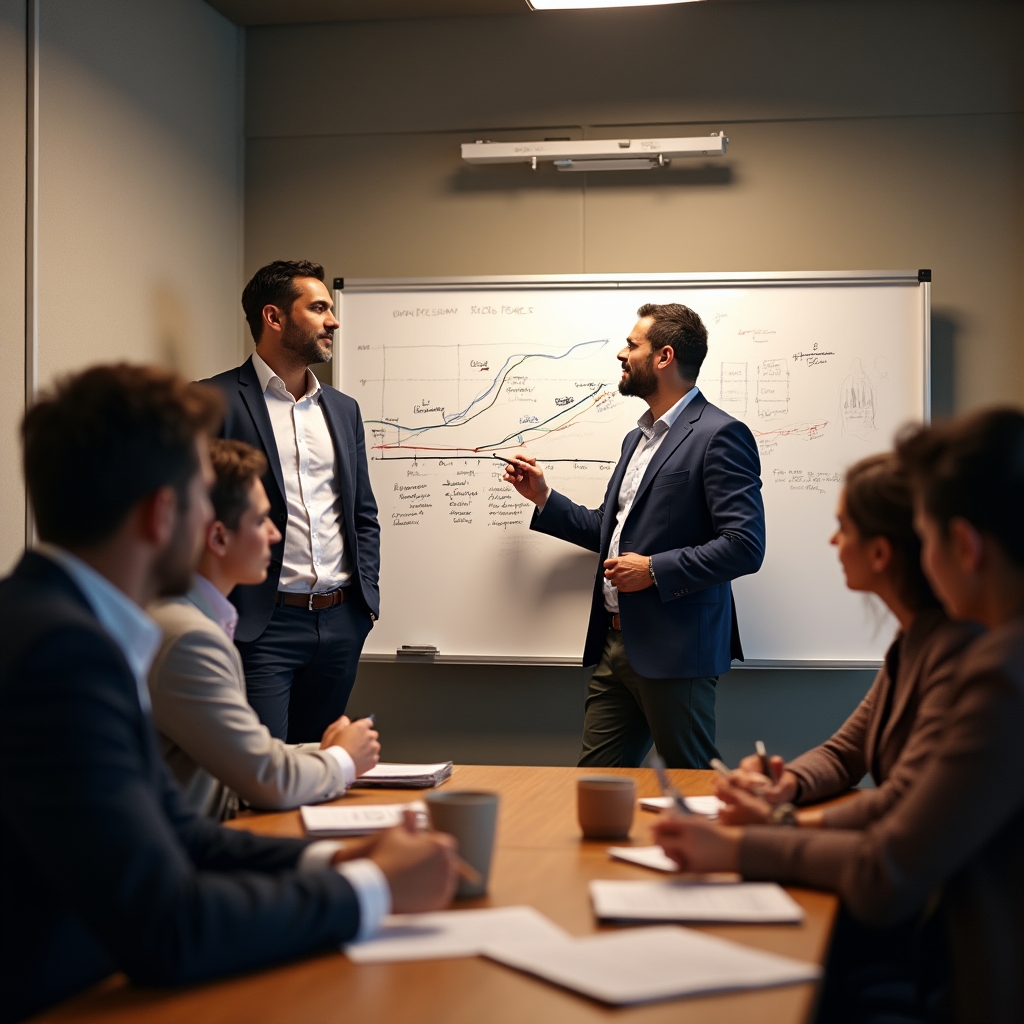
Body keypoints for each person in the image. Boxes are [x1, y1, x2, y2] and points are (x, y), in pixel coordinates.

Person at [0, 365, 456, 1024]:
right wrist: (372, 889)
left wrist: (338, 855)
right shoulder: (61, 655)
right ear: (164, 514)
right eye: (200, 492)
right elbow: (169, 927)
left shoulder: (62, 623)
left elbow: (182, 834)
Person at [653, 409, 1024, 1023]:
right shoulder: (939, 647)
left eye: (926, 535)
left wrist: (749, 841)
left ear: (960, 545)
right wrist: (786, 792)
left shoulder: (996, 668)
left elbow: (887, 869)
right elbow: (853, 754)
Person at [504, 302, 765, 768]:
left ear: (663, 357)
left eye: (631, 345)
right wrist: (544, 498)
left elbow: (744, 546)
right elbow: (609, 529)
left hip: (678, 649)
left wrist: (653, 570)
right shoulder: (637, 439)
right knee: (595, 783)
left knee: (692, 779)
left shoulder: (720, 434)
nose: (622, 355)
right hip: (615, 646)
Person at [716, 453, 978, 831]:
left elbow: (901, 805)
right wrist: (789, 784)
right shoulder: (912, 641)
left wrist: (778, 822)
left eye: (843, 527)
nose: (833, 539)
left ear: (879, 552)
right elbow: (843, 755)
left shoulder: (954, 653)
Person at [148, 439, 381, 820]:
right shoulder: (189, 637)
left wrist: (324, 751)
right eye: (260, 521)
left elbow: (247, 754)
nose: (275, 535)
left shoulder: (197, 619)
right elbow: (264, 779)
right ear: (219, 537)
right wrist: (342, 760)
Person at [205, 260, 380, 742]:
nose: (334, 320)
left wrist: (364, 606)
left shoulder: (343, 410)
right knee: (262, 775)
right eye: (319, 307)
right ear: (274, 317)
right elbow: (195, 517)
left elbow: (363, 513)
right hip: (261, 625)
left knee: (323, 763)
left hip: (341, 623)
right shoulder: (212, 402)